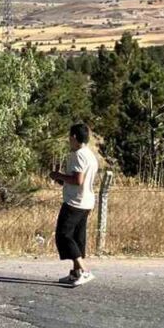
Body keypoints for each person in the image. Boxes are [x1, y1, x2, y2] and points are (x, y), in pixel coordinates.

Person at [50, 123, 98, 287]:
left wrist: (59, 175)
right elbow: (73, 179)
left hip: (75, 202)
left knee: (63, 235)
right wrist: (60, 178)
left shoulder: (78, 155)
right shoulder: (90, 154)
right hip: (86, 201)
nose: (69, 140)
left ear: (74, 137)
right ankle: (76, 272)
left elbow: (78, 180)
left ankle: (85, 270)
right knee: (78, 237)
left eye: (70, 136)